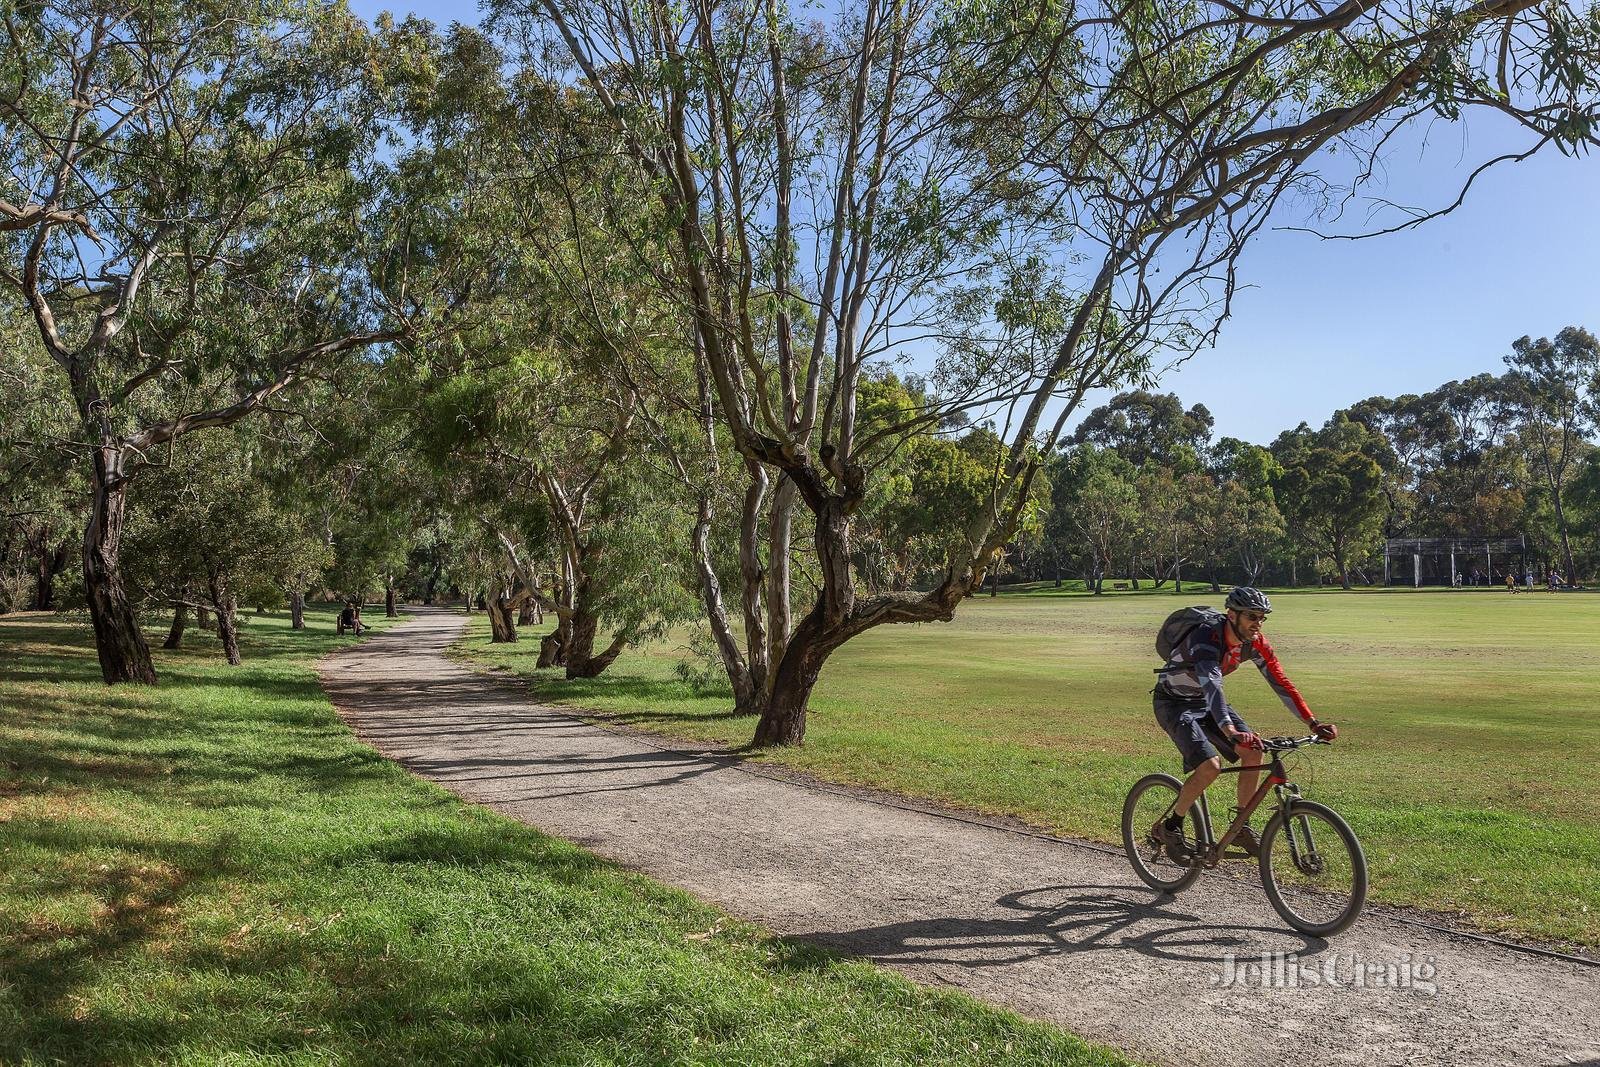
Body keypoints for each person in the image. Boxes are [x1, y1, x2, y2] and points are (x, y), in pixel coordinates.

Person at [1149, 587, 1337, 862]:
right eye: (1252, 616)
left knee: (1254, 751)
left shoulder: (1255, 642)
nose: (1257, 624)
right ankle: (1171, 827)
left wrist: (1313, 722)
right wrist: (1229, 729)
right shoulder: (1206, 636)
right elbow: (1211, 681)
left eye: (1262, 618)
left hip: (1205, 702)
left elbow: (1280, 681)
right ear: (1232, 615)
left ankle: (1240, 827)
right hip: (1174, 703)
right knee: (1210, 767)